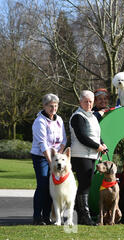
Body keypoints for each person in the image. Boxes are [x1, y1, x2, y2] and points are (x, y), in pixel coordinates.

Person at [69, 90, 108, 225]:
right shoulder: (77, 116)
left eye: (91, 101)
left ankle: (80, 215)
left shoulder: (92, 116)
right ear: (80, 102)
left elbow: (96, 135)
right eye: (86, 101)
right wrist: (98, 146)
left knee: (87, 184)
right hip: (80, 155)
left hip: (91, 155)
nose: (89, 104)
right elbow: (82, 137)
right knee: (85, 184)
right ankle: (84, 216)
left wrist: (102, 143)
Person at [30, 93, 67, 225]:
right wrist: (51, 161)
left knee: (53, 186)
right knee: (43, 185)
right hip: (41, 157)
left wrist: (58, 157)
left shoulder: (59, 120)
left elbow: (64, 139)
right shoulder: (39, 121)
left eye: (56, 106)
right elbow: (42, 144)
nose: (53, 109)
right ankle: (37, 217)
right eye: (50, 106)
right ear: (44, 106)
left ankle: (47, 216)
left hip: (55, 157)